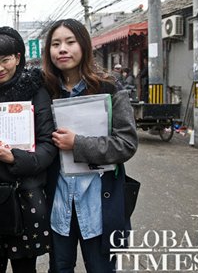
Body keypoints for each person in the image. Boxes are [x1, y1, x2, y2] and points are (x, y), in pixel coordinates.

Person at [42, 19, 138, 272]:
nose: (62, 49)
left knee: (101, 267)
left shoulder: (109, 87)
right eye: (56, 44)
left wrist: (78, 144)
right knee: (60, 267)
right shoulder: (45, 91)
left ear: (83, 45)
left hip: (98, 202)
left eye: (70, 42)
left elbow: (126, 143)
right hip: (61, 203)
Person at [0, 26, 57, 273]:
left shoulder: (35, 90)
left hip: (25, 193)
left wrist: (16, 158)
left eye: (5, 60)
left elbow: (48, 145)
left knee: (25, 267)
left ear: (18, 57)